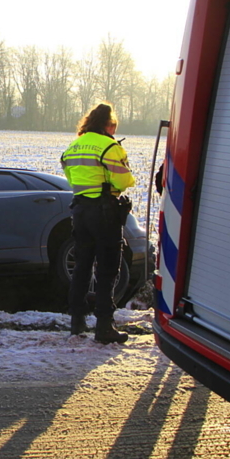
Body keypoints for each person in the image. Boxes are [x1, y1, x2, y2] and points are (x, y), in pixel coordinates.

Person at [60, 102, 135, 344]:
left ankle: (77, 323)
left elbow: (71, 178)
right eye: (114, 124)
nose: (114, 129)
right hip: (104, 212)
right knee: (107, 269)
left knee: (82, 266)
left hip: (80, 210)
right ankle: (104, 327)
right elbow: (124, 181)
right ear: (107, 124)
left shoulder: (74, 146)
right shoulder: (109, 146)